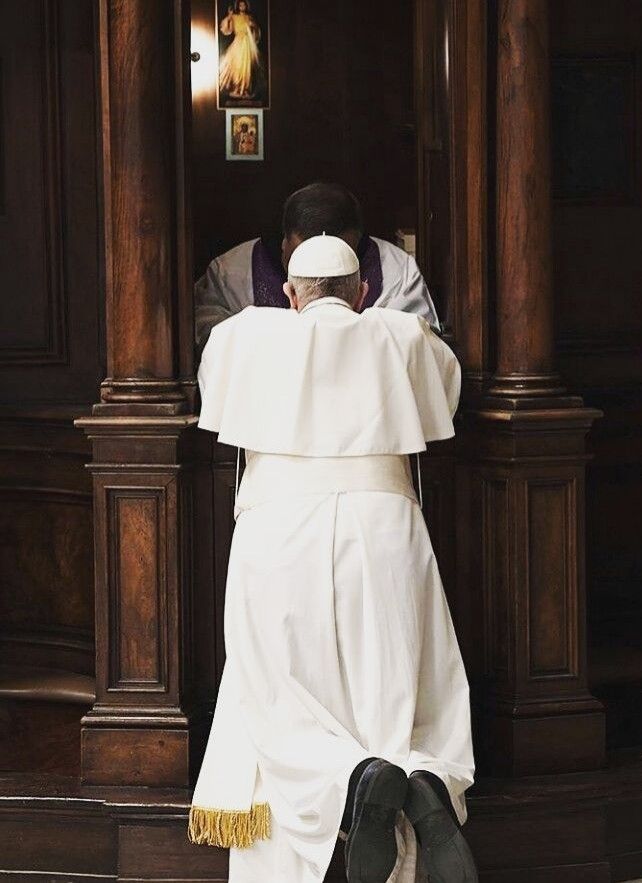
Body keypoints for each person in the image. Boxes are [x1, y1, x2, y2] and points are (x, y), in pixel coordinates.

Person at [189, 234, 477, 883]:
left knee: (277, 690)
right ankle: (422, 775)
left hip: (277, 525)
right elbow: (448, 393)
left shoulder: (243, 334)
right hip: (383, 521)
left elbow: (211, 388)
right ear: (364, 292)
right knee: (398, 676)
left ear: (291, 294)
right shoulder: (402, 336)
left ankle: (347, 780)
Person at [194, 182, 439, 349]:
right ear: (284, 243)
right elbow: (209, 337)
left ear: (357, 241)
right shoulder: (232, 271)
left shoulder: (396, 270)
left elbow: (420, 344)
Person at [219, 1, 262, 101]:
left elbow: (256, 32)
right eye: (240, 5)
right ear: (238, 6)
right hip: (238, 42)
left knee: (246, 68)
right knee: (237, 66)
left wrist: (253, 26)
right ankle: (237, 89)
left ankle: (245, 89)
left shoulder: (249, 17)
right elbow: (227, 29)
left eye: (244, 5)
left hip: (247, 44)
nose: (242, 7)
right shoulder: (234, 16)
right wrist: (229, 17)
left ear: (246, 6)